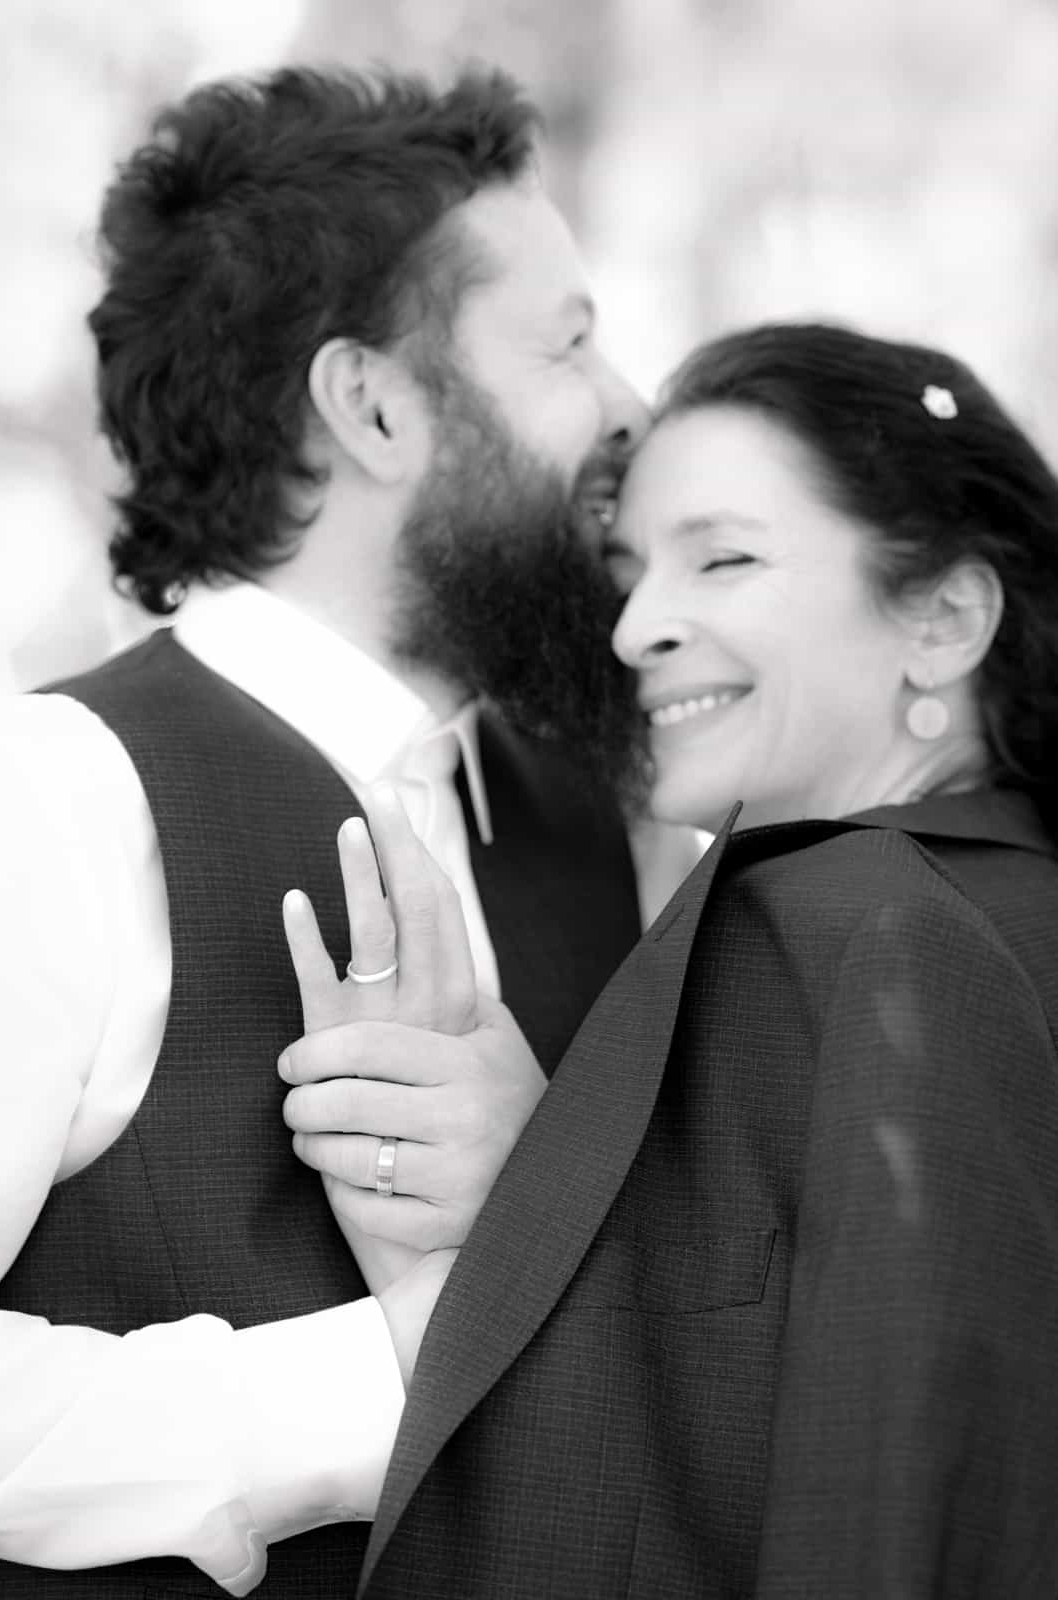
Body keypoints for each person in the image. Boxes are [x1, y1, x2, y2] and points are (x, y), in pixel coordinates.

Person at [0, 63, 699, 1600]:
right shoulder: (58, 797)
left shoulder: (591, 814)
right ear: (371, 404)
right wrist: (396, 1368)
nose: (635, 409)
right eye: (570, 345)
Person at [285, 323, 1058, 1597]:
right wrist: (550, 1185)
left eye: (726, 558)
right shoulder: (998, 900)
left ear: (944, 616)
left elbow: (886, 1503)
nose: (635, 625)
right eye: (631, 570)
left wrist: (514, 1221)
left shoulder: (867, 923)